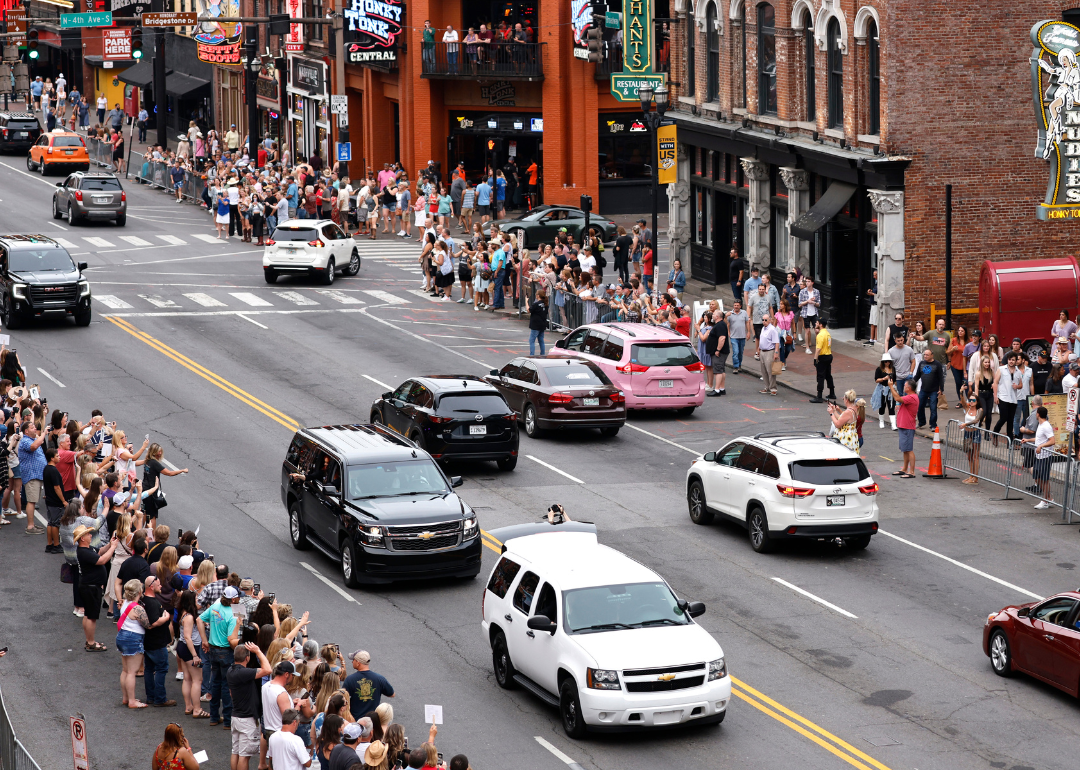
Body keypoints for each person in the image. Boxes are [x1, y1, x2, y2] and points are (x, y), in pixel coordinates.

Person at [197, 584, 240, 727]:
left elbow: (199, 620)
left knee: (214, 683)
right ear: (233, 600)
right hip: (226, 652)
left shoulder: (215, 608)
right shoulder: (232, 615)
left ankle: (214, 717)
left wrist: (204, 640)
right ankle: (227, 720)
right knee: (227, 686)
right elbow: (230, 638)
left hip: (213, 650)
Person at [74, 523, 120, 651]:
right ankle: (91, 642)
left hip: (89, 586)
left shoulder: (87, 549)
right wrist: (114, 548)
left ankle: (89, 640)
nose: (90, 535)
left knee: (88, 615)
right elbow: (102, 560)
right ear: (82, 538)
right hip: (91, 587)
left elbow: (99, 552)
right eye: (88, 534)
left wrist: (110, 544)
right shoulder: (83, 552)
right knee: (92, 616)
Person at [343, 650, 394, 721]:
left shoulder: (350, 679)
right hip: (372, 722)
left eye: (353, 660)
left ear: (358, 663)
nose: (352, 662)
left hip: (355, 721)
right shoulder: (379, 678)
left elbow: (343, 699)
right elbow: (392, 694)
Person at [1023, 406, 1056, 509]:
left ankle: (1045, 500)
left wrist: (1041, 446)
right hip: (1039, 456)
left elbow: (1052, 440)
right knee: (1038, 477)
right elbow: (1039, 439)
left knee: (1044, 479)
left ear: (1038, 414)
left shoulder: (1046, 426)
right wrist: (1027, 440)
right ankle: (1049, 499)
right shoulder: (1041, 425)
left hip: (1045, 457)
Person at [912, 348, 945, 431]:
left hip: (934, 390)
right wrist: (911, 383)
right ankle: (921, 422)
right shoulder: (922, 363)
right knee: (919, 406)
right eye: (924, 355)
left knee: (933, 408)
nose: (925, 356)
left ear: (932, 355)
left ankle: (933, 424)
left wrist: (941, 389)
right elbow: (917, 375)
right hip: (923, 390)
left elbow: (941, 377)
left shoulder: (937, 364)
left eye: (927, 355)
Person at [809, 318, 836, 404]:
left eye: (817, 322)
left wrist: (815, 359)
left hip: (823, 357)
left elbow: (818, 348)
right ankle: (832, 393)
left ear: (820, 324)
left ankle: (819, 396)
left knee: (820, 376)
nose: (815, 323)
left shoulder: (821, 335)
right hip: (829, 355)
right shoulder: (827, 333)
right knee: (828, 375)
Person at [961, 393, 984, 484]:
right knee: (969, 456)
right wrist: (961, 392)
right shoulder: (967, 408)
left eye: (973, 400)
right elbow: (962, 401)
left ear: (977, 401)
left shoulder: (980, 410)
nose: (971, 402)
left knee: (975, 456)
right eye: (970, 400)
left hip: (975, 433)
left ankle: (976, 477)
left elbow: (976, 420)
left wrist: (965, 424)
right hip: (967, 433)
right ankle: (971, 475)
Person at [872, 354, 897, 430]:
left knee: (891, 406)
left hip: (891, 389)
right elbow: (876, 380)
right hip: (882, 389)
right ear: (883, 362)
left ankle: (893, 424)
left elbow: (895, 379)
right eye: (886, 361)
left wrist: (895, 388)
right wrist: (884, 378)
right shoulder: (879, 369)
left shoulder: (893, 368)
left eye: (889, 361)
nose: (887, 363)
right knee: (882, 406)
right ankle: (881, 421)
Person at [707, 311, 728, 397]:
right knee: (721, 370)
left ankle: (717, 390)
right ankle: (722, 388)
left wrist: (718, 350)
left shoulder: (720, 325)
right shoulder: (720, 324)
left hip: (719, 352)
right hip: (720, 351)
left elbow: (722, 338)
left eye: (714, 314)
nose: (712, 315)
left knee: (718, 371)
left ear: (717, 316)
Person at [758, 313, 779, 396]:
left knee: (771, 371)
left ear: (770, 320)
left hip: (770, 351)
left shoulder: (772, 329)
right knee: (764, 371)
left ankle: (773, 388)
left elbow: (776, 342)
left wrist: (776, 352)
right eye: (763, 320)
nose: (764, 321)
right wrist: (759, 350)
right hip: (763, 351)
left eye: (765, 320)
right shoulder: (763, 328)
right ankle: (767, 387)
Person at [726, 300, 750, 373]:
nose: (736, 307)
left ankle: (739, 365)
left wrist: (748, 332)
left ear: (740, 306)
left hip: (742, 336)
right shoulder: (730, 314)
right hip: (734, 337)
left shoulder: (744, 313)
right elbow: (728, 324)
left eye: (737, 305)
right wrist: (728, 332)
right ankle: (735, 367)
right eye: (735, 305)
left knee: (740, 352)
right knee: (735, 352)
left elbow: (747, 322)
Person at [529, 290, 548, 355]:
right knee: (541, 340)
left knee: (532, 340)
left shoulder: (536, 304)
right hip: (542, 324)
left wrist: (526, 301)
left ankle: (532, 355)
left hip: (535, 325)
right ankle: (542, 354)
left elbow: (529, 310)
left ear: (538, 296)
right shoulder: (545, 304)